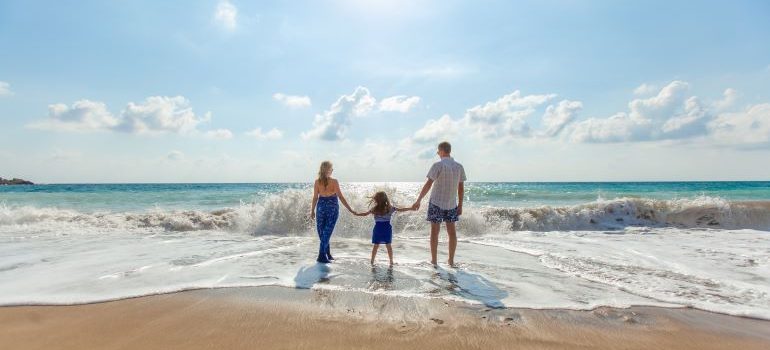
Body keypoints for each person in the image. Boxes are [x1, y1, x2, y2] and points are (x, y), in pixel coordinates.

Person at [411, 141, 467, 266]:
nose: (437, 153)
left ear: (442, 151)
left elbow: (428, 184)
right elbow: (461, 188)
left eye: (438, 151)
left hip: (436, 202)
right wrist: (461, 205)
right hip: (452, 204)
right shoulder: (459, 166)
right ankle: (451, 261)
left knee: (434, 233)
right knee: (452, 233)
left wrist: (418, 200)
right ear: (449, 151)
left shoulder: (438, 165)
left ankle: (434, 261)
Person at [310, 161, 355, 263]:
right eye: (332, 169)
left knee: (324, 232)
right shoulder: (332, 181)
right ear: (328, 170)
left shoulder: (318, 182)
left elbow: (315, 198)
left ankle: (326, 254)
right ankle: (322, 255)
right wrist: (350, 209)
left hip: (322, 207)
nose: (333, 170)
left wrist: (312, 210)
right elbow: (340, 196)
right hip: (330, 207)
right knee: (325, 232)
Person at [354, 191, 415, 266]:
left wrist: (356, 214)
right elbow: (401, 209)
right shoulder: (390, 208)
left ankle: (372, 261)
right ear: (385, 199)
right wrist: (411, 208)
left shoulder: (374, 209)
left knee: (376, 246)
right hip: (387, 229)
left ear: (376, 200)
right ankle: (391, 261)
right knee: (388, 245)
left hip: (378, 228)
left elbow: (365, 214)